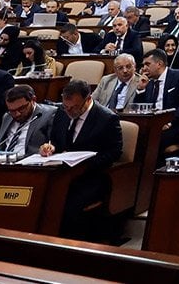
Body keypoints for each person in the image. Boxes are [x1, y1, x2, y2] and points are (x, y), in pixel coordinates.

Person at [40, 80, 123, 240]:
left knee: (66, 205)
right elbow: (55, 141)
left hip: (92, 177)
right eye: (66, 106)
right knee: (41, 197)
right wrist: (49, 148)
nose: (69, 111)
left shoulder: (107, 119)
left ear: (88, 99)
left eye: (75, 107)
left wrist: (84, 164)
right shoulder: (62, 112)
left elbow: (114, 153)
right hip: (62, 174)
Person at [133, 50, 179, 164]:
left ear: (159, 64)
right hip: (153, 125)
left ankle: (151, 174)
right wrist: (141, 89)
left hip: (176, 124)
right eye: (143, 65)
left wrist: (169, 122)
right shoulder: (149, 82)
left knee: (151, 140)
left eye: (147, 64)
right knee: (135, 138)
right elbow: (138, 108)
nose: (144, 68)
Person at [0, 84, 56, 157]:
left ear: (33, 100)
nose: (17, 114)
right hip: (3, 161)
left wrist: (47, 148)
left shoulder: (49, 114)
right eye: (12, 110)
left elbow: (54, 144)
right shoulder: (7, 116)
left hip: (29, 162)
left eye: (21, 108)